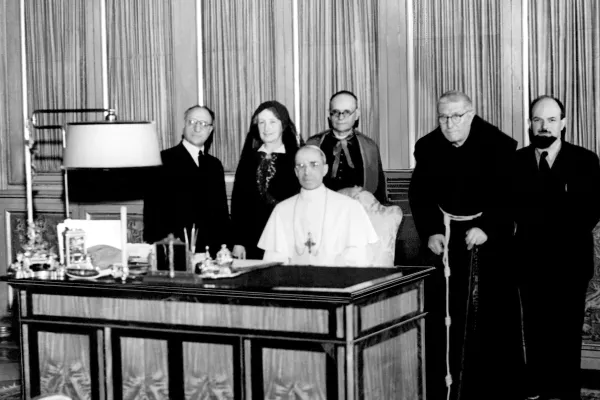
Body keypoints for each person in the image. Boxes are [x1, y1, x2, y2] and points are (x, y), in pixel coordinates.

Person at [408, 91, 524, 399]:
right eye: (443, 117)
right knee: (445, 317)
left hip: (490, 242)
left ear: (471, 115)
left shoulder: (498, 145)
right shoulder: (428, 147)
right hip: (446, 240)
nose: (449, 124)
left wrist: (488, 228)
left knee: (490, 320)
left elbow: (511, 196)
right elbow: (419, 195)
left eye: (456, 116)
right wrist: (431, 231)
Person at [513, 95, 600, 400]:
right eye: (538, 120)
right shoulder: (516, 162)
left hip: (570, 262)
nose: (544, 126)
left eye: (551, 120)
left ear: (563, 123)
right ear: (529, 124)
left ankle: (564, 393)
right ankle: (537, 390)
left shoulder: (585, 161)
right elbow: (511, 210)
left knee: (566, 333)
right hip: (528, 261)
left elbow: (590, 211)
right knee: (535, 330)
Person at [258, 145, 378, 266]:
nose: (307, 172)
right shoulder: (282, 210)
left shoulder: (350, 207)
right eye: (301, 166)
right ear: (296, 172)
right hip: (293, 278)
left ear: (325, 169)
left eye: (314, 165)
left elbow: (357, 261)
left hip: (337, 277)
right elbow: (273, 262)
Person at [143, 105, 230, 256]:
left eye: (203, 124)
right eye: (192, 122)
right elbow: (152, 213)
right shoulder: (162, 160)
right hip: (174, 251)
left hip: (211, 253)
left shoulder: (215, 165)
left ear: (210, 130)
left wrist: (225, 246)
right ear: (184, 125)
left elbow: (221, 213)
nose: (197, 128)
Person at [231, 101, 302, 260]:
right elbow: (239, 202)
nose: (266, 128)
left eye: (272, 122)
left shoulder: (296, 158)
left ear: (283, 125)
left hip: (286, 237)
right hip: (252, 238)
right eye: (261, 122)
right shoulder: (248, 159)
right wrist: (239, 241)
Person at [307, 90, 387, 204]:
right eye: (335, 112)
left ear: (357, 114)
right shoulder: (313, 144)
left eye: (346, 112)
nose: (341, 117)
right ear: (329, 114)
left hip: (359, 210)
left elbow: (379, 190)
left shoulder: (369, 147)